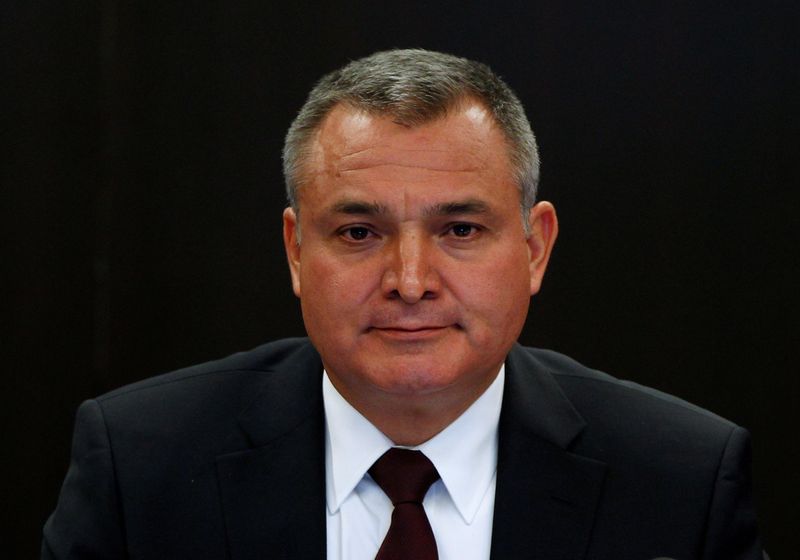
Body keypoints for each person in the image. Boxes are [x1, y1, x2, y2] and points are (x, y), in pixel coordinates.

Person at [43, 49, 764, 559]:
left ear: (535, 247)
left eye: (460, 230)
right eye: (359, 232)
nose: (411, 280)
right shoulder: (141, 468)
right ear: (296, 251)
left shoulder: (680, 482)